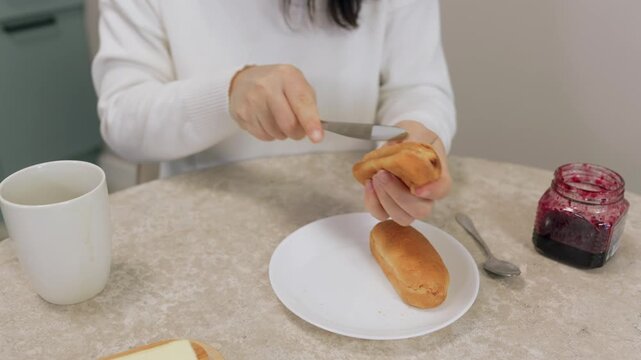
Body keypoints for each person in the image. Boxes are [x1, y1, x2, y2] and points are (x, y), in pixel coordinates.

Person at [92, 0, 456, 226]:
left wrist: (414, 136)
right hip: (209, 215)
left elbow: (416, 87)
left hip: (354, 215)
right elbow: (122, 118)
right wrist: (227, 94)